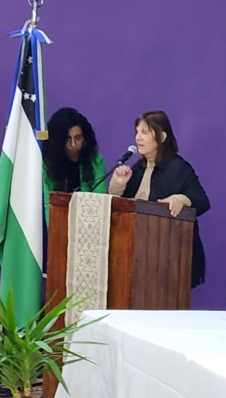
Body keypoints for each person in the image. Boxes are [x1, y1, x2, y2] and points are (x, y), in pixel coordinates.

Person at [108, 111, 210, 287]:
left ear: (162, 137)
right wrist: (118, 185)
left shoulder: (179, 168)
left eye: (145, 132)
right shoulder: (137, 169)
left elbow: (202, 201)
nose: (138, 138)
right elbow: (121, 210)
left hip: (170, 258)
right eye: (137, 132)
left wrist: (181, 199)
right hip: (133, 255)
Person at [42, 107, 107, 223]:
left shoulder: (95, 161)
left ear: (85, 138)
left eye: (78, 138)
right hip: (56, 222)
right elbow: (47, 203)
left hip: (88, 223)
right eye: (67, 139)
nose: (73, 144)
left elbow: (100, 198)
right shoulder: (47, 163)